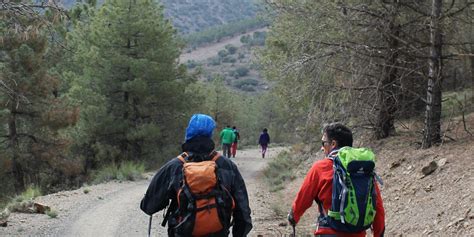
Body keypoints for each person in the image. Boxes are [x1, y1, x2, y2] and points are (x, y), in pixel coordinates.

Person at [140, 114, 252, 236]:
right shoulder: (227, 166)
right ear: (210, 135)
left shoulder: (174, 166)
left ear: (188, 134)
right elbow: (243, 213)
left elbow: (148, 206)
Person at [287, 122, 385, 236]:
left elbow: (303, 199)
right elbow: (377, 208)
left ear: (333, 144)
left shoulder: (320, 168)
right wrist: (378, 234)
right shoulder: (362, 170)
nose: (322, 147)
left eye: (323, 143)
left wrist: (293, 217)